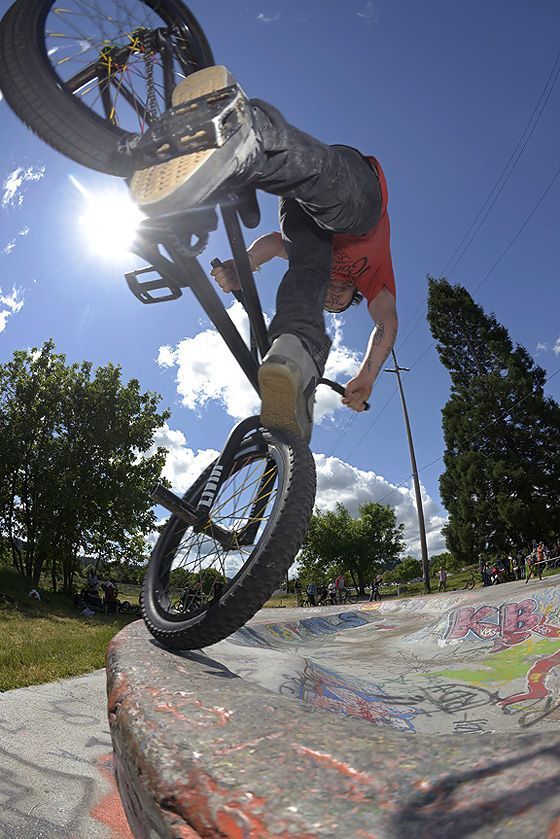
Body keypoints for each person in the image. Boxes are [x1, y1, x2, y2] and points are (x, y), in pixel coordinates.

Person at [130, 66, 398, 443]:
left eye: (329, 305)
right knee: (348, 212)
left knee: (308, 262)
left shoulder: (316, 268)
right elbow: (386, 323)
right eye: (339, 300)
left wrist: (243, 269)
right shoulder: (375, 275)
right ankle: (252, 136)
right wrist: (368, 375)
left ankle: (292, 352)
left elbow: (274, 245)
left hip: (299, 204)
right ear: (355, 292)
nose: (332, 298)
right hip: (355, 186)